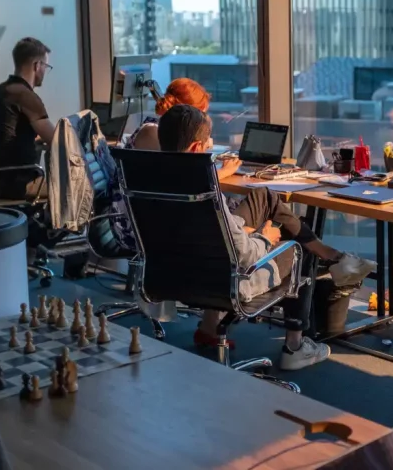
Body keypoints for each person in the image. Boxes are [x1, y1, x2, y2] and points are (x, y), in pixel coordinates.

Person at [156, 105, 377, 370]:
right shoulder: (204, 191)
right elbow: (243, 254)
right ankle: (295, 346)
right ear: (195, 149)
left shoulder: (154, 177)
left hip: (175, 274)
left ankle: (333, 257)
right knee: (297, 247)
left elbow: (207, 231)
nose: (209, 150)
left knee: (265, 197)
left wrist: (239, 227)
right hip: (224, 279)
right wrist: (263, 236)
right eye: (207, 144)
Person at [0, 37, 55, 200]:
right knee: (81, 186)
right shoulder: (25, 96)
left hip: (0, 181)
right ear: (37, 66)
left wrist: (34, 142)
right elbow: (57, 140)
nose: (45, 71)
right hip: (23, 184)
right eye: (46, 66)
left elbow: (8, 135)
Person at [125, 77, 210, 151]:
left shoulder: (171, 133)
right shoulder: (152, 132)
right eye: (200, 115)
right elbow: (173, 168)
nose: (201, 121)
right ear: (185, 112)